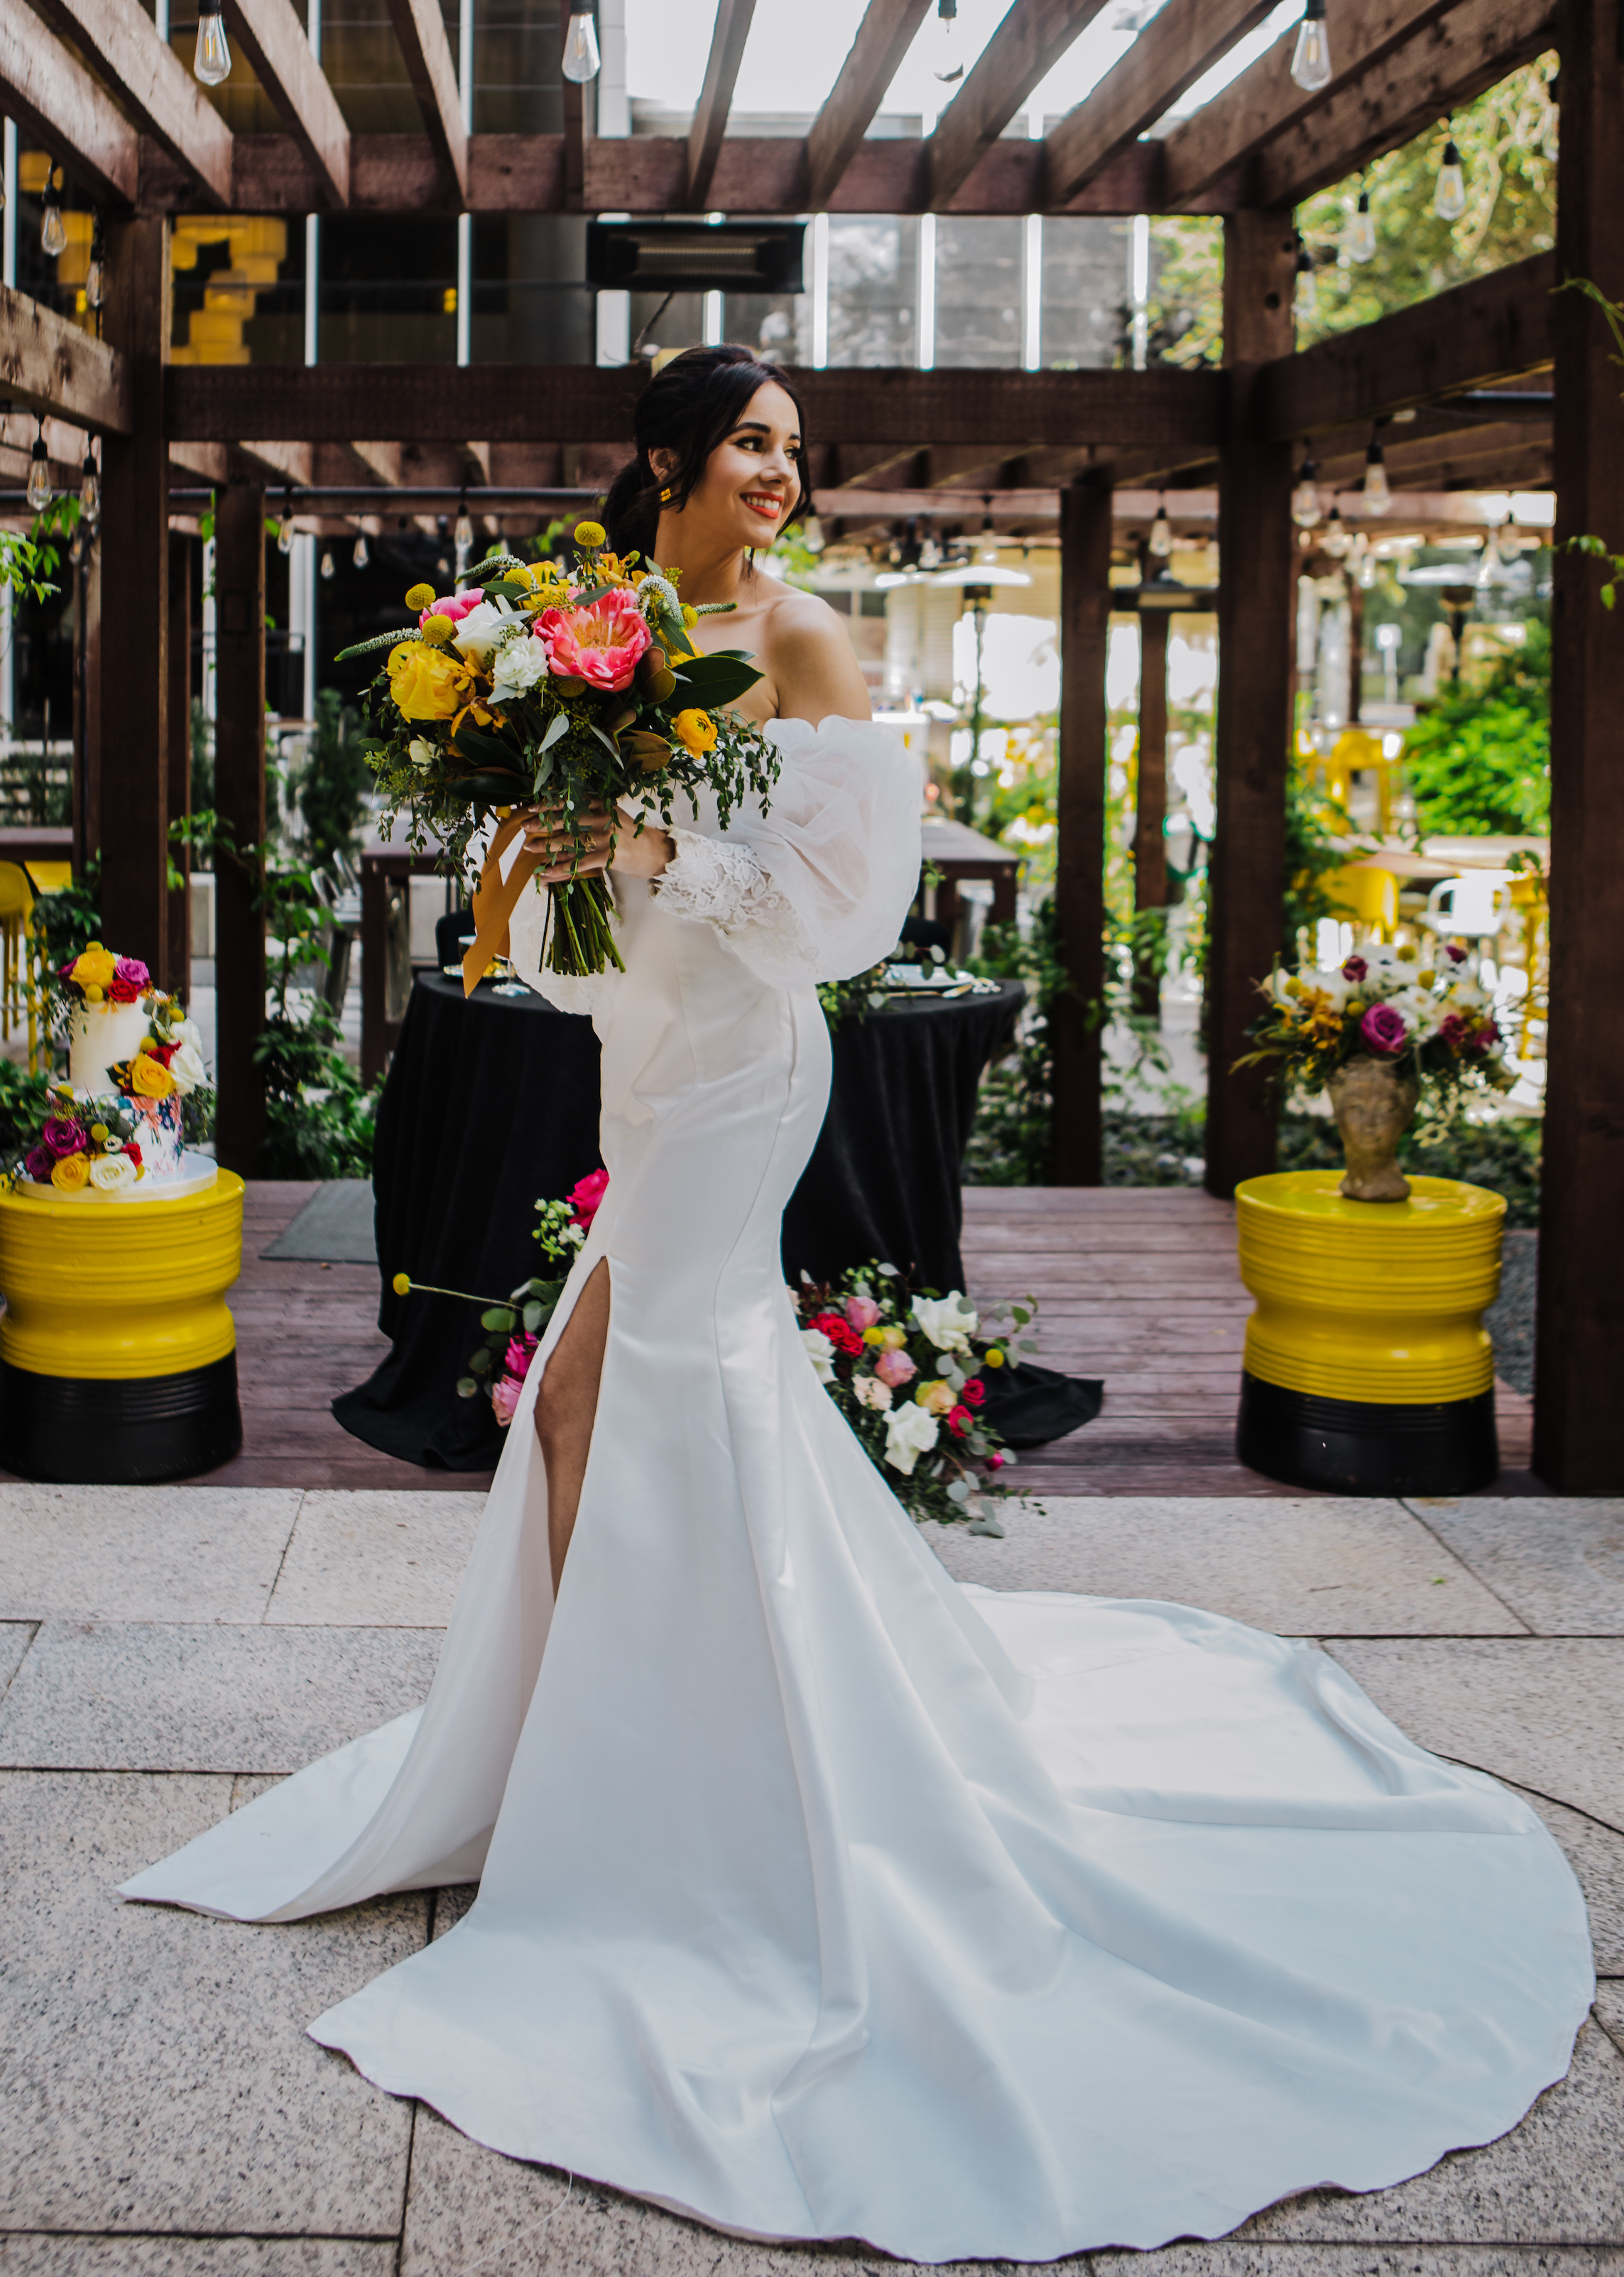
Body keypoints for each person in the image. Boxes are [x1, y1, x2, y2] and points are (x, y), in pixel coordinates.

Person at [126, 348, 1591, 2266]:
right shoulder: (599, 634)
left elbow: (850, 898)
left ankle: (642, 1773)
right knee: (591, 1386)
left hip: (742, 1061)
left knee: (622, 1375)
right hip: (642, 1050)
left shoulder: (805, 643)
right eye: (749, 442)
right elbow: (555, 903)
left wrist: (656, 843)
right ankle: (627, 1726)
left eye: (793, 451)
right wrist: (545, 852)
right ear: (666, 460)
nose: (777, 476)